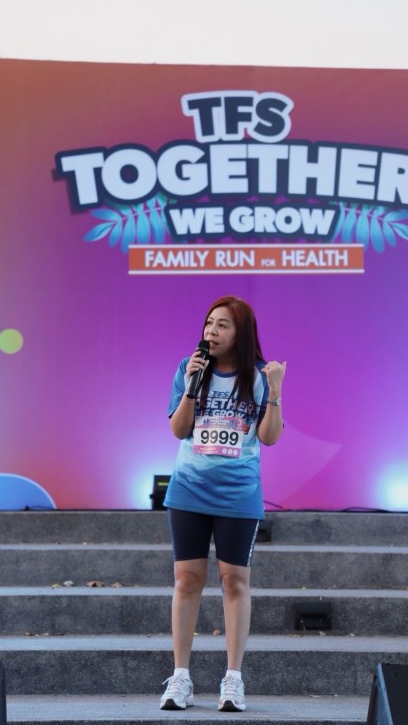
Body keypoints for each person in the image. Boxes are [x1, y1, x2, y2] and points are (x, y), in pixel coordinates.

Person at [160, 295, 286, 712]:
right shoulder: (189, 367)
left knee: (235, 581)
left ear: (241, 333)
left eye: (222, 325)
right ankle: (180, 677)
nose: (211, 332)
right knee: (186, 580)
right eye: (208, 323)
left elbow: (269, 438)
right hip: (189, 490)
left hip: (238, 493)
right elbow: (179, 429)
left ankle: (233, 678)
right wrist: (191, 387)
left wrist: (275, 391)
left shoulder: (259, 377)